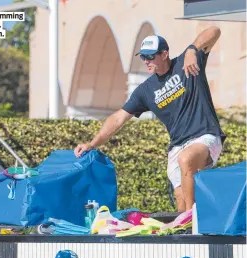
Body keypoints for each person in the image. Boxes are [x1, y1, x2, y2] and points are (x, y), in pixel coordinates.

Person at [74, 27, 225, 212]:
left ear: (164, 54)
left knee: (186, 160)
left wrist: (194, 49)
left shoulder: (187, 63)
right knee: (180, 200)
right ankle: (187, 231)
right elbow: (118, 119)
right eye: (143, 57)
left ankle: (192, 221)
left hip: (205, 136)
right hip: (177, 146)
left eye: (150, 56)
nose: (146, 61)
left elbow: (214, 31)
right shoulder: (145, 91)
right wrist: (92, 143)